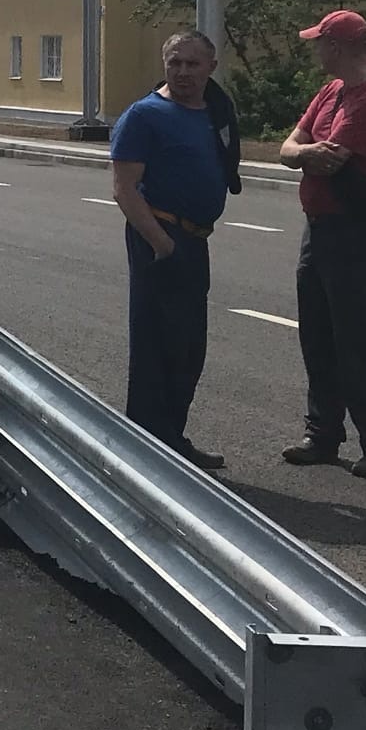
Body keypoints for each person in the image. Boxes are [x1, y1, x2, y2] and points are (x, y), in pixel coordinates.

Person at [278, 9, 366, 480]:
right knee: (317, 334)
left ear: (337, 46)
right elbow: (291, 147)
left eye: (319, 42)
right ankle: (323, 434)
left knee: (359, 340)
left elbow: (331, 159)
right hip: (321, 226)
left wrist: (305, 154)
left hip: (358, 230)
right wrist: (303, 153)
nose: (315, 49)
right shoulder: (332, 90)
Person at [107, 31, 243, 472]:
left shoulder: (214, 110)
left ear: (211, 67)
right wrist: (160, 243)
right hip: (160, 237)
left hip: (194, 238)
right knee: (156, 346)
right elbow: (125, 189)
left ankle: (171, 440)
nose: (183, 72)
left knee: (187, 348)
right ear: (164, 64)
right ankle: (149, 449)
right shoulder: (145, 115)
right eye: (175, 63)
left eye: (192, 64)